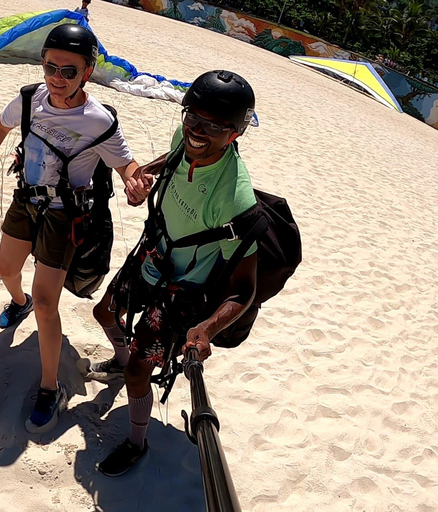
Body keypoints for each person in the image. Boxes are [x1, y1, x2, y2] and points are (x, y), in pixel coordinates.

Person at [0, 24, 150, 434]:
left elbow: (126, 164)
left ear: (88, 72)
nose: (57, 77)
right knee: (8, 270)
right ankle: (19, 301)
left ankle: (51, 388)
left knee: (49, 305)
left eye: (69, 71)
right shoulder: (30, 99)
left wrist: (136, 181)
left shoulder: (98, 120)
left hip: (64, 214)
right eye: (51, 66)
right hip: (25, 200)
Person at [84, 70, 259, 477]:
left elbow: (244, 288)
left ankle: (136, 441)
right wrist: (142, 174)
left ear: (235, 134)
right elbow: (178, 154)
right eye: (192, 118)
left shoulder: (234, 198)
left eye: (215, 126)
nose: (199, 131)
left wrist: (208, 328)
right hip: (154, 252)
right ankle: (121, 358)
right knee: (104, 313)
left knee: (138, 371)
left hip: (185, 290)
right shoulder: (186, 138)